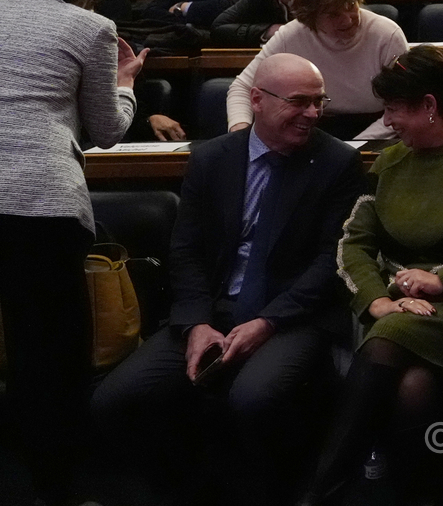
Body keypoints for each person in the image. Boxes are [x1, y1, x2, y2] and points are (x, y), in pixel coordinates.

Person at [94, 52, 364, 506]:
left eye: (319, 101)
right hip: (213, 309)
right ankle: (180, 488)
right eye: (299, 102)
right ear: (257, 99)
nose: (313, 113)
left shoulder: (337, 163)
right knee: (115, 400)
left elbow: (331, 262)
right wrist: (197, 322)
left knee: (251, 399)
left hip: (291, 316)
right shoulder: (212, 158)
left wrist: (267, 322)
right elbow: (187, 252)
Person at [299, 45, 443, 505]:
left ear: (430, 106)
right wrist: (377, 300)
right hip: (402, 312)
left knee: (388, 337)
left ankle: (319, 493)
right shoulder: (389, 163)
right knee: (412, 386)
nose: (387, 121)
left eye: (394, 109)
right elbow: (354, 241)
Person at [0, 0, 146, 506]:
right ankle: (55, 485)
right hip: (42, 205)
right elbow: (107, 130)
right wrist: (128, 84)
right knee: (52, 353)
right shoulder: (91, 27)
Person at [228, 0, 408, 139]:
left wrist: (355, 146)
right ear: (309, 18)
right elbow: (242, 88)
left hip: (379, 130)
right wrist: (240, 133)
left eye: (351, 5)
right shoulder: (292, 34)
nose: (347, 20)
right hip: (311, 129)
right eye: (333, 14)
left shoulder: (386, 34)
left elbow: (404, 104)